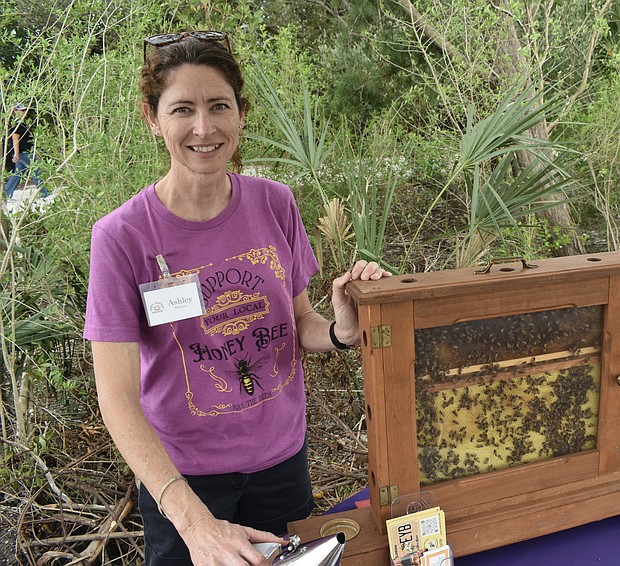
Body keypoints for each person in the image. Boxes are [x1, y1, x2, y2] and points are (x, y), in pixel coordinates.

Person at [83, 30, 391, 566]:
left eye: (218, 106)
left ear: (241, 114)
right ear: (152, 119)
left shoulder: (274, 204)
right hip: (183, 483)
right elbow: (116, 397)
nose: (203, 128)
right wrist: (193, 521)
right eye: (182, 109)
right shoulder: (122, 237)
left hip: (282, 466)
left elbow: (299, 322)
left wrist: (342, 329)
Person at [4, 103, 46, 199]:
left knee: (19, 173)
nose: (24, 112)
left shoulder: (23, 123)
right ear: (15, 111)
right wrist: (16, 153)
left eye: (24, 110)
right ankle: (44, 192)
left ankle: (7, 193)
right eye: (22, 110)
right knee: (36, 170)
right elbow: (15, 138)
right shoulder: (17, 124)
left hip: (25, 151)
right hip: (23, 152)